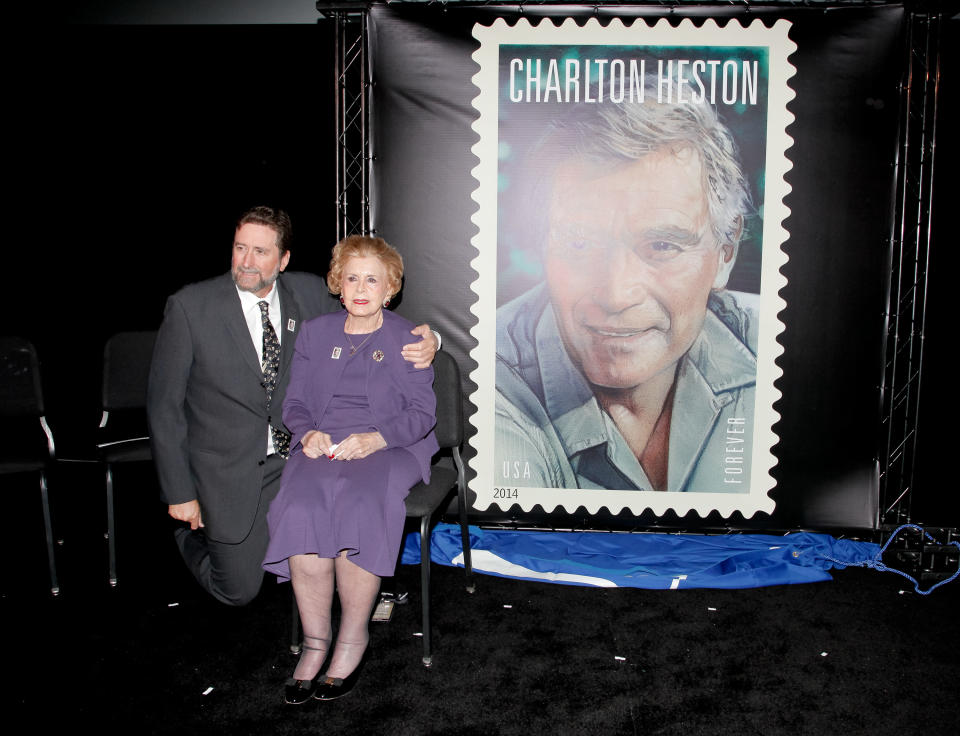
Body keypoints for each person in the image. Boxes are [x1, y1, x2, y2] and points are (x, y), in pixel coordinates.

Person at [147, 207, 438, 607]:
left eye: (261, 252)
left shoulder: (309, 294)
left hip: (298, 454)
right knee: (238, 591)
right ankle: (190, 535)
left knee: (340, 514)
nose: (248, 261)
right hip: (229, 467)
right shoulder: (189, 307)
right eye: (240, 248)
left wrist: (433, 338)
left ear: (283, 260)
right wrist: (180, 493)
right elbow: (164, 407)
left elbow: (369, 309)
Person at [496, 92, 758, 493]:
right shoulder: (487, 376)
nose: (616, 295)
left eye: (662, 246)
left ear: (726, 252)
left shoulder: (782, 349)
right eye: (580, 244)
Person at [261, 235, 438, 704]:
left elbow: (423, 414)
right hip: (323, 444)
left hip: (390, 445)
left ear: (390, 288)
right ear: (338, 284)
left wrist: (377, 437)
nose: (361, 288)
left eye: (372, 279)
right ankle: (315, 642)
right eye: (352, 277)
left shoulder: (409, 339)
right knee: (300, 505)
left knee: (360, 504)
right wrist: (307, 434)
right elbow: (294, 403)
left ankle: (352, 638)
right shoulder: (316, 334)